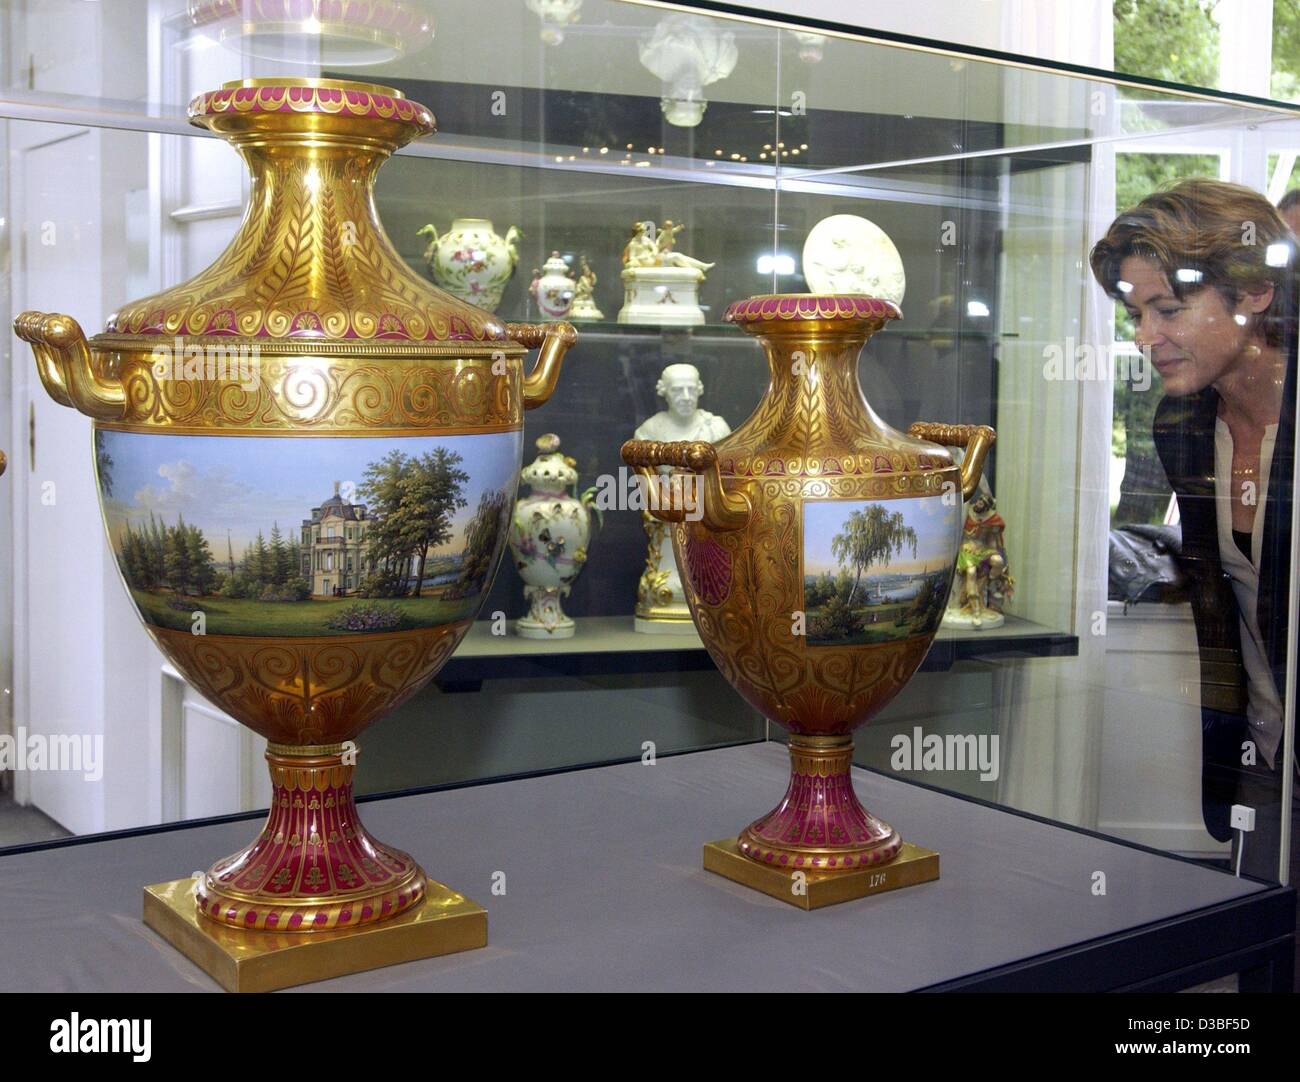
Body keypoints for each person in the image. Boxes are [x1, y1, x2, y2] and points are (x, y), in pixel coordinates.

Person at [1090, 178, 1297, 882]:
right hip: (1263, 757)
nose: (1145, 337)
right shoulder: (1182, 423)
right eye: (1137, 313)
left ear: (1256, 291)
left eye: (1168, 309)